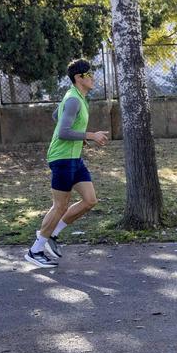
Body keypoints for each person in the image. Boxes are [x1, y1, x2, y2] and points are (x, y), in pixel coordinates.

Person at [24, 59, 109, 268]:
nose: (93, 77)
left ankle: (52, 234)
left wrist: (77, 135)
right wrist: (90, 135)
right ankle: (35, 250)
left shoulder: (76, 98)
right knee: (60, 206)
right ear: (79, 78)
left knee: (90, 200)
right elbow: (62, 131)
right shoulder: (73, 100)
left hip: (74, 158)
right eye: (89, 74)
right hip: (61, 158)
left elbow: (57, 115)